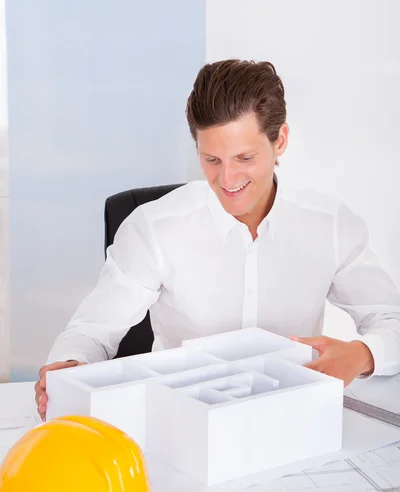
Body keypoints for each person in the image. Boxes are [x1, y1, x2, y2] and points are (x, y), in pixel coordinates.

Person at [35, 59, 400, 420]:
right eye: (212, 159)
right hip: (179, 420)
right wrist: (69, 366)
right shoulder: (154, 227)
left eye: (244, 157)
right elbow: (92, 331)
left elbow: (391, 319)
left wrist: (364, 353)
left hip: (292, 418)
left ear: (281, 141)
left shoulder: (330, 225)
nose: (227, 179)